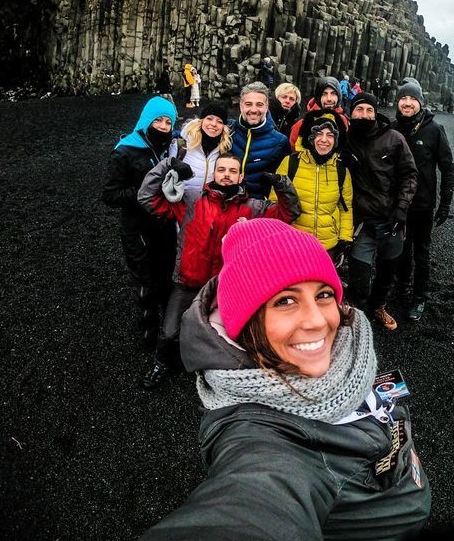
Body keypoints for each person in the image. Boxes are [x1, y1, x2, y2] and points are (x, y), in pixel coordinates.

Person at [140, 218, 430, 540]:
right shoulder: (258, 437)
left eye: (322, 294)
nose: (318, 321)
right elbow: (254, 505)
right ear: (247, 324)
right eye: (285, 301)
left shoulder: (349, 342)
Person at [137, 154, 300, 388]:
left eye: (232, 171)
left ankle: (216, 375)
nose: (226, 174)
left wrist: (282, 185)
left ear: (241, 176)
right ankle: (161, 363)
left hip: (225, 286)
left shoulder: (253, 207)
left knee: (224, 335)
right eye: (221, 169)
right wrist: (167, 165)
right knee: (170, 331)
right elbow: (146, 197)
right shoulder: (191, 199)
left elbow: (288, 214)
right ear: (214, 174)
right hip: (188, 281)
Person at [101, 97, 178, 347]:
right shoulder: (125, 149)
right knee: (147, 280)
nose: (164, 126)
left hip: (164, 225)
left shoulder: (170, 147)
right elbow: (110, 195)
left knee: (167, 278)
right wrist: (146, 191)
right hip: (137, 228)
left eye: (168, 121)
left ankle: (168, 332)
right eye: (158, 120)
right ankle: (148, 330)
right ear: (147, 120)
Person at [345, 92, 417, 331]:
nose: (363, 114)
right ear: (351, 112)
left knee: (388, 270)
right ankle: (358, 313)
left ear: (375, 113)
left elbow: (409, 175)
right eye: (359, 110)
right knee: (359, 275)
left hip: (392, 219)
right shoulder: (345, 140)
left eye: (368, 110)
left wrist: (402, 208)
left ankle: (378, 307)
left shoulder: (394, 138)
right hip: (362, 221)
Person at [393, 79, 454, 321]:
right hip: (398, 203)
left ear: (420, 102)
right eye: (403, 99)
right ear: (398, 102)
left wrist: (445, 202)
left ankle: (419, 297)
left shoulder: (434, 130)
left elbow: (447, 168)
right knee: (400, 250)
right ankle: (402, 289)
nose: (407, 103)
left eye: (412, 99)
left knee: (422, 251)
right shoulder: (394, 128)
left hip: (423, 204)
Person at [272, 109, 353, 262]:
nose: (324, 140)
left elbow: (345, 208)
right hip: (293, 244)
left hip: (327, 247)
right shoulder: (290, 163)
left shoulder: (341, 170)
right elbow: (275, 203)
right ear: (311, 137)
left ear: (336, 140)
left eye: (330, 135)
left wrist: (344, 239)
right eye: (319, 134)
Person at [230, 81, 290, 198]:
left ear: (267, 107)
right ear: (241, 105)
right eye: (248, 104)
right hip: (228, 203)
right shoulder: (229, 131)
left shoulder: (280, 141)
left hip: (258, 207)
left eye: (259, 105)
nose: (253, 109)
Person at [171, 102, 233, 202]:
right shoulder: (182, 144)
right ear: (201, 121)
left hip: (209, 206)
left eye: (219, 121)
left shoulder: (223, 150)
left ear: (223, 127)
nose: (213, 124)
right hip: (181, 204)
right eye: (209, 118)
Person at [291, 75, 347, 150]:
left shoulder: (343, 121)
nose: (329, 99)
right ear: (318, 97)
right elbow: (292, 149)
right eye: (324, 94)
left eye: (333, 93)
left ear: (339, 96)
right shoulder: (302, 123)